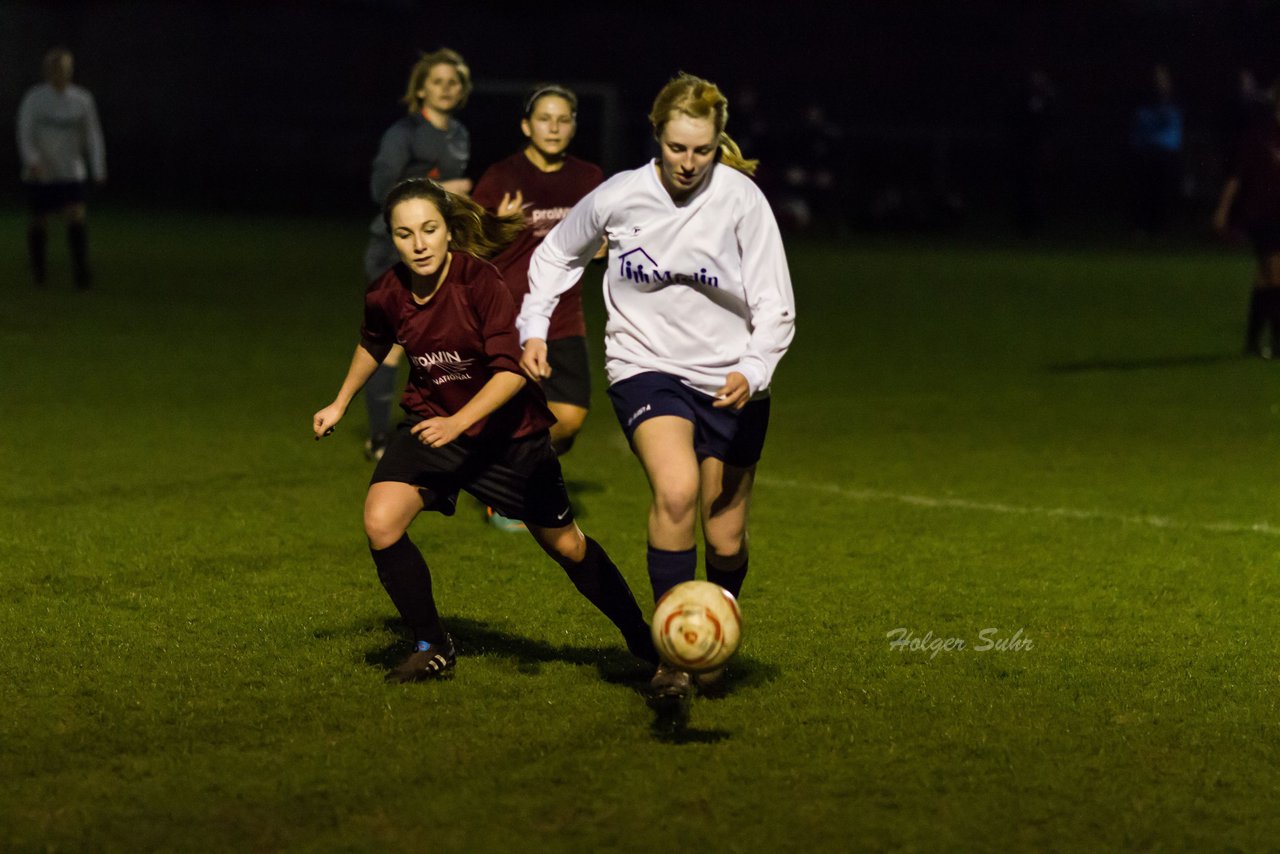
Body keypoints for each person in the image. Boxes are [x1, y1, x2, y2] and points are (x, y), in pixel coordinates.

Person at [518, 73, 796, 701]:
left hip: (733, 379)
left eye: (702, 149)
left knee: (724, 533)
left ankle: (712, 629)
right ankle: (673, 654)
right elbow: (557, 253)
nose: (689, 163)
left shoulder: (741, 200)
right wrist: (533, 323)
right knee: (676, 492)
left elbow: (777, 304)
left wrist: (753, 370)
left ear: (717, 141)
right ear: (657, 137)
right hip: (646, 366)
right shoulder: (620, 196)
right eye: (677, 148)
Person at [314, 178, 656, 682]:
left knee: (567, 546)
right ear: (392, 238)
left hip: (509, 439)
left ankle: (643, 640)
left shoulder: (481, 283)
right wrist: (340, 402)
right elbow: (373, 343)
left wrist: (459, 422)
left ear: (448, 230)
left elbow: (512, 372)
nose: (419, 243)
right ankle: (432, 644)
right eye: (405, 234)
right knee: (381, 522)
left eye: (429, 230)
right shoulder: (386, 292)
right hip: (434, 424)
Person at [472, 84, 606, 531]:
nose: (554, 126)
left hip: (564, 314)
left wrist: (607, 244)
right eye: (544, 118)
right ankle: (507, 494)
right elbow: (467, 246)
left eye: (563, 119)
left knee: (568, 419)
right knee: (519, 410)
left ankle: (503, 470)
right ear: (526, 126)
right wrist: (499, 227)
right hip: (508, 314)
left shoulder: (589, 179)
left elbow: (611, 232)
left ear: (573, 126)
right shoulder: (501, 177)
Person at [363, 48, 475, 462]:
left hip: (440, 252)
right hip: (392, 251)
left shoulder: (460, 133)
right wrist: (446, 187)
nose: (446, 88)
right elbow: (382, 190)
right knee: (389, 344)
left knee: (443, 341)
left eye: (454, 81)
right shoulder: (403, 133)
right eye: (438, 80)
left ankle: (439, 430)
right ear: (421, 88)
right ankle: (378, 438)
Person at [16, 46, 107, 289]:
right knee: (39, 220)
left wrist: (97, 167)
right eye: (57, 69)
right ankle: (39, 271)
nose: (61, 73)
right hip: (42, 171)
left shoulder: (82, 99)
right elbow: (24, 132)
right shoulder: (35, 98)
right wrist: (32, 160)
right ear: (48, 71)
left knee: (76, 215)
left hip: (71, 170)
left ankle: (81, 272)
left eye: (66, 69)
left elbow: (93, 135)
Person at [1213, 83, 1280, 359]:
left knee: (1265, 280)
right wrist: (1222, 210)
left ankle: (1252, 344)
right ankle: (1278, 345)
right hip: (1262, 215)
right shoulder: (1259, 134)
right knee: (1276, 275)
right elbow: (1236, 176)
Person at [1129, 64, 1184, 237]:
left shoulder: (1174, 101)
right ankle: (1143, 226)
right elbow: (1138, 126)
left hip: (1167, 153)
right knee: (1145, 191)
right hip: (1146, 152)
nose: (1158, 82)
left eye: (1162, 78)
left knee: (1165, 191)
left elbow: (1173, 126)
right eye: (1156, 77)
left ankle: (1163, 227)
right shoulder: (1143, 102)